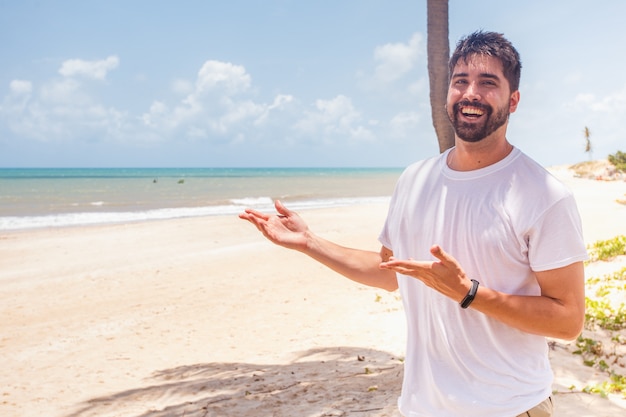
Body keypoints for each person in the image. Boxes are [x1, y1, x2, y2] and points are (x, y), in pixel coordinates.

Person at [239, 31, 588, 417]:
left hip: (510, 408)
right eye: (460, 82)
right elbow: (391, 272)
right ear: (447, 94)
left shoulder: (543, 194)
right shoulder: (414, 179)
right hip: (422, 408)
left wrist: (468, 293)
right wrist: (309, 242)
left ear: (514, 100)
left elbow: (568, 320)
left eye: (488, 83)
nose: (471, 93)